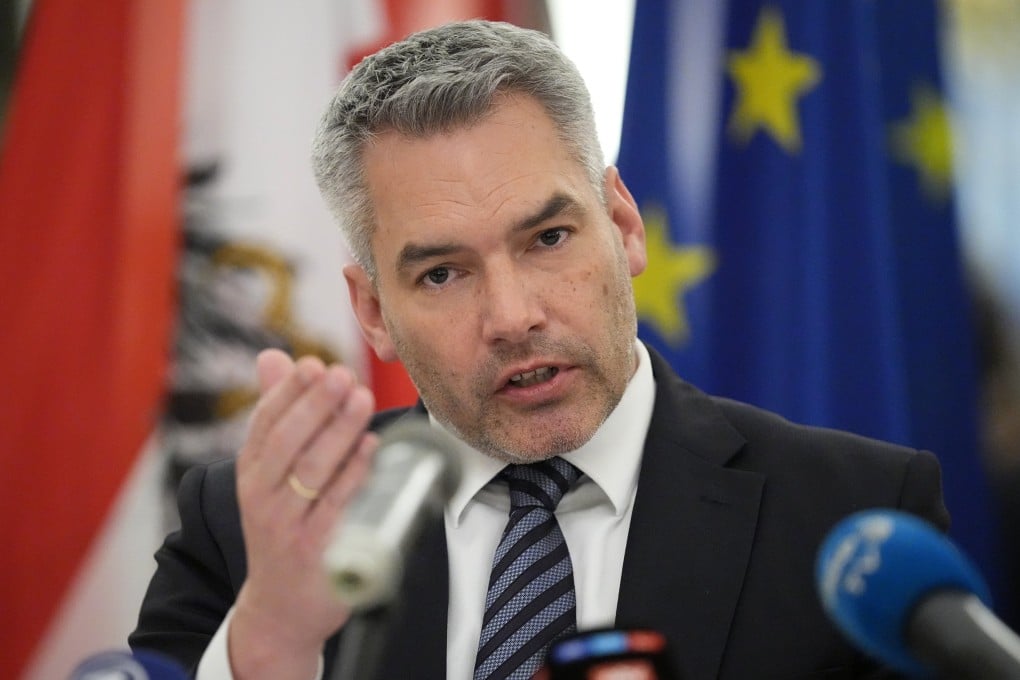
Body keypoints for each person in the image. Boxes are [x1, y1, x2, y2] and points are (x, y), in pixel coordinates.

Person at [130, 19, 949, 680]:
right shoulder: (246, 535)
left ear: (623, 226)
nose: (513, 316)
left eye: (549, 237)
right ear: (374, 310)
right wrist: (272, 647)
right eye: (443, 273)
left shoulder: (856, 518)